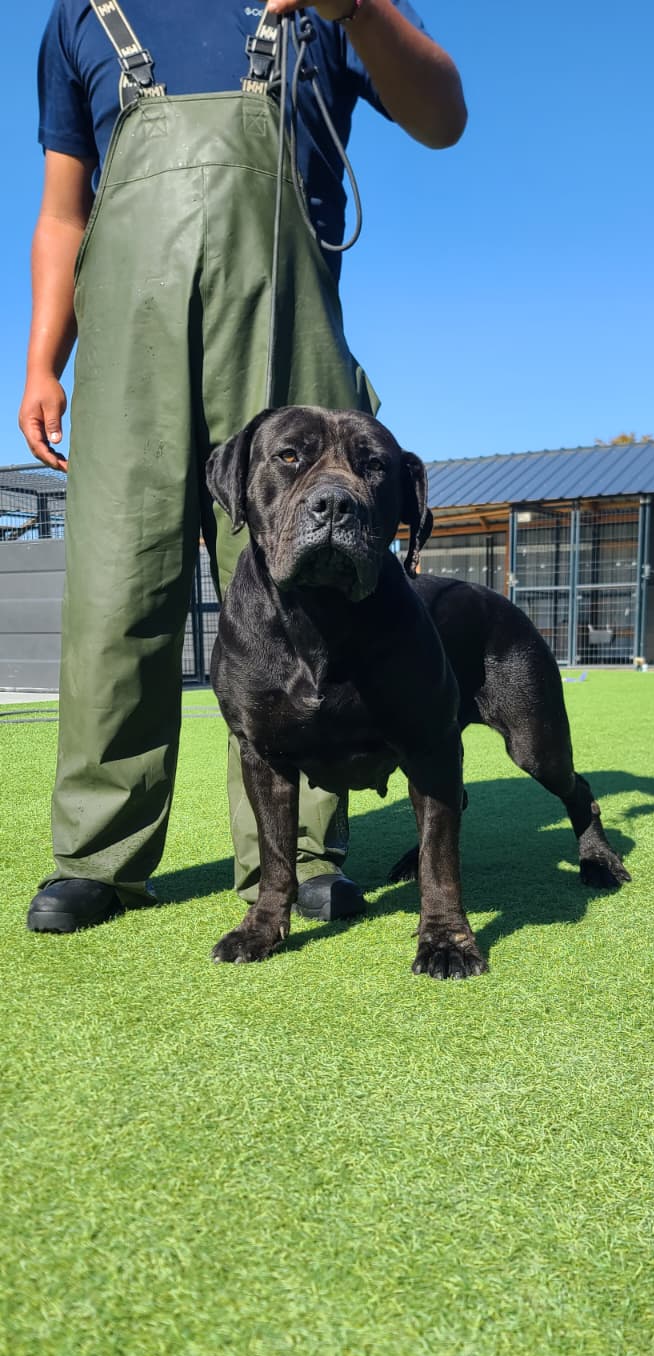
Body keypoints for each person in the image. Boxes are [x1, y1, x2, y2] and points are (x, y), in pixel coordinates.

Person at [20, 0, 467, 935]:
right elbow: (64, 212)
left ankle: (299, 855)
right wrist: (41, 361)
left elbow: (442, 118)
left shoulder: (329, 11)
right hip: (127, 341)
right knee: (115, 585)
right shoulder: (82, 15)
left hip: (284, 327)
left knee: (314, 577)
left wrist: (357, 9)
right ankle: (99, 854)